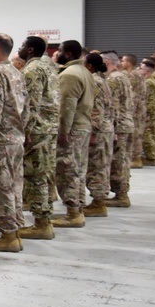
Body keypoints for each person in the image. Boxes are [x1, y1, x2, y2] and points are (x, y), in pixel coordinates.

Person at [0, 34, 29, 252]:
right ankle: (15, 232)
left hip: (0, 140)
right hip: (16, 138)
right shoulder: (16, 73)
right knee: (14, 186)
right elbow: (27, 107)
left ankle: (8, 235)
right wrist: (20, 131)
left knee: (0, 188)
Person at [16, 36, 60, 240]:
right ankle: (44, 221)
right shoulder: (48, 68)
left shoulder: (32, 70)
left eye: (23, 45)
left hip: (37, 131)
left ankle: (42, 223)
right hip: (48, 128)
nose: (20, 48)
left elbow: (29, 105)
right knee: (44, 174)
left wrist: (22, 132)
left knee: (36, 177)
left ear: (31, 49)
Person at [52, 40, 95, 229]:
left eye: (60, 50)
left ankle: (72, 213)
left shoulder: (69, 74)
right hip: (83, 126)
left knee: (67, 170)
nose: (57, 53)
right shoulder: (84, 71)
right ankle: (78, 207)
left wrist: (63, 132)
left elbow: (66, 107)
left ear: (68, 54)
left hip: (73, 129)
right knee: (78, 169)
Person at [84, 54, 115, 217]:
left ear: (89, 66)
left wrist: (94, 133)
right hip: (107, 128)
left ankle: (98, 203)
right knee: (102, 165)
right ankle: (99, 200)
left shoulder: (94, 81)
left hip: (99, 130)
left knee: (97, 166)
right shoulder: (102, 80)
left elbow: (96, 109)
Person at [103, 52, 134, 208]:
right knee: (123, 160)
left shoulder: (113, 79)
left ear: (107, 61)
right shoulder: (123, 76)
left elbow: (112, 105)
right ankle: (122, 192)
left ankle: (121, 195)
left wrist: (112, 127)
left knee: (117, 161)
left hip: (119, 125)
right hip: (127, 122)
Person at [121, 54, 147, 168]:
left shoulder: (132, 75)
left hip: (135, 109)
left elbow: (131, 93)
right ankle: (137, 157)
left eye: (123, 61)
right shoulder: (138, 74)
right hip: (139, 107)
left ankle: (136, 158)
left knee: (135, 133)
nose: (121, 63)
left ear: (129, 63)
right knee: (137, 132)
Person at [143, 57, 155, 166]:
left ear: (147, 71)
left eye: (142, 68)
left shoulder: (148, 82)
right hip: (154, 111)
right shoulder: (153, 81)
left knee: (148, 134)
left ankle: (151, 157)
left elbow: (149, 99)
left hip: (151, 112)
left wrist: (147, 112)